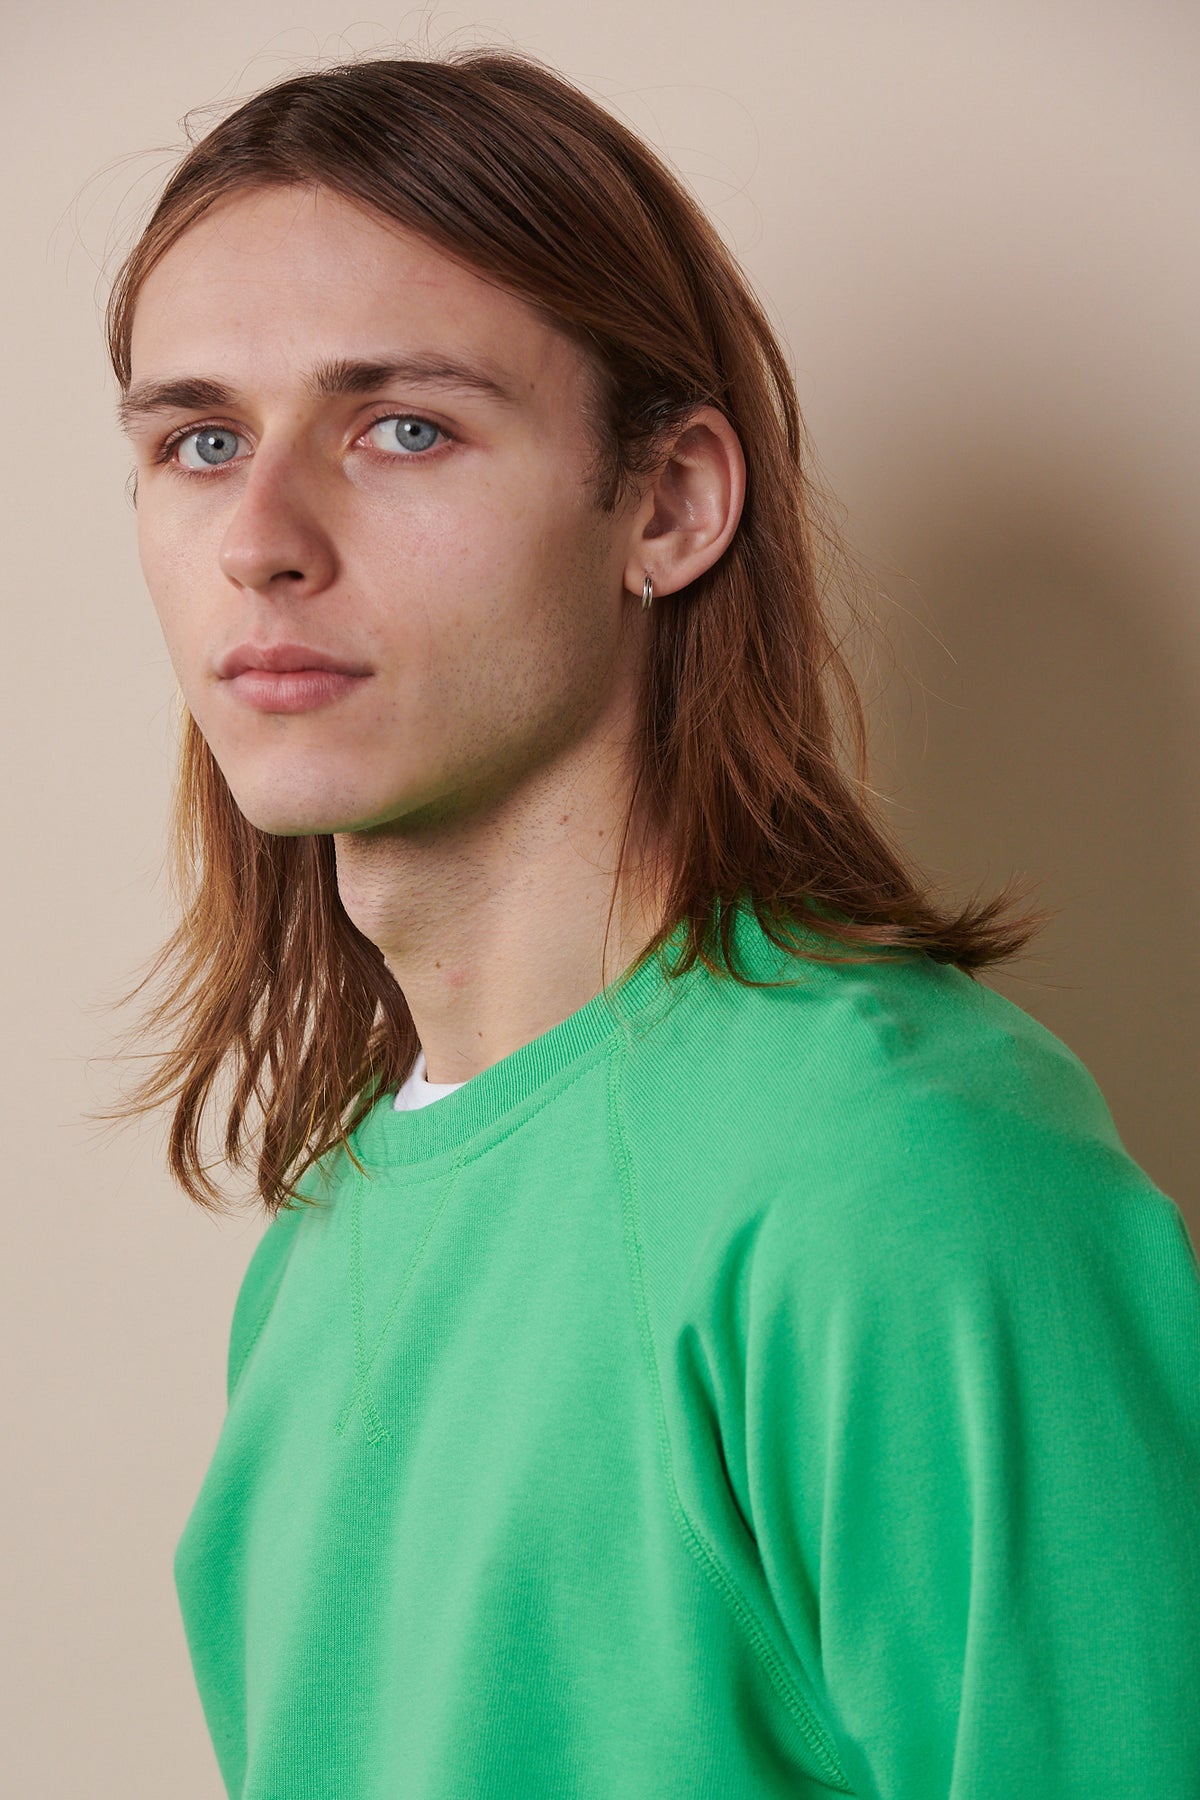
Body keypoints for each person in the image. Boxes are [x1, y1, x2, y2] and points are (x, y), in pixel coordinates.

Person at [94, 46, 1200, 1800]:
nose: (260, 537)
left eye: (403, 428)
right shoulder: (328, 1240)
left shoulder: (900, 1173)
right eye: (201, 440)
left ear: (670, 503)